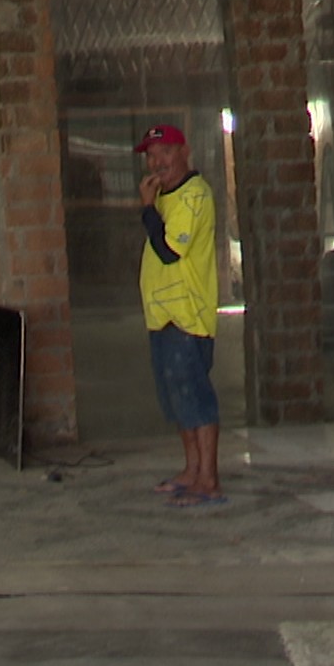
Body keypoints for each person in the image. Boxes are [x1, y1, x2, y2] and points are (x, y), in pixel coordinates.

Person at [134, 125, 226, 509]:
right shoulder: (168, 197)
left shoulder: (193, 197)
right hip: (164, 318)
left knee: (195, 399)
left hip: (186, 317)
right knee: (176, 401)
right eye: (152, 156)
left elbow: (171, 250)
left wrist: (145, 208)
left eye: (166, 153)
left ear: (185, 151)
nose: (158, 163)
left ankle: (208, 479)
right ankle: (191, 470)